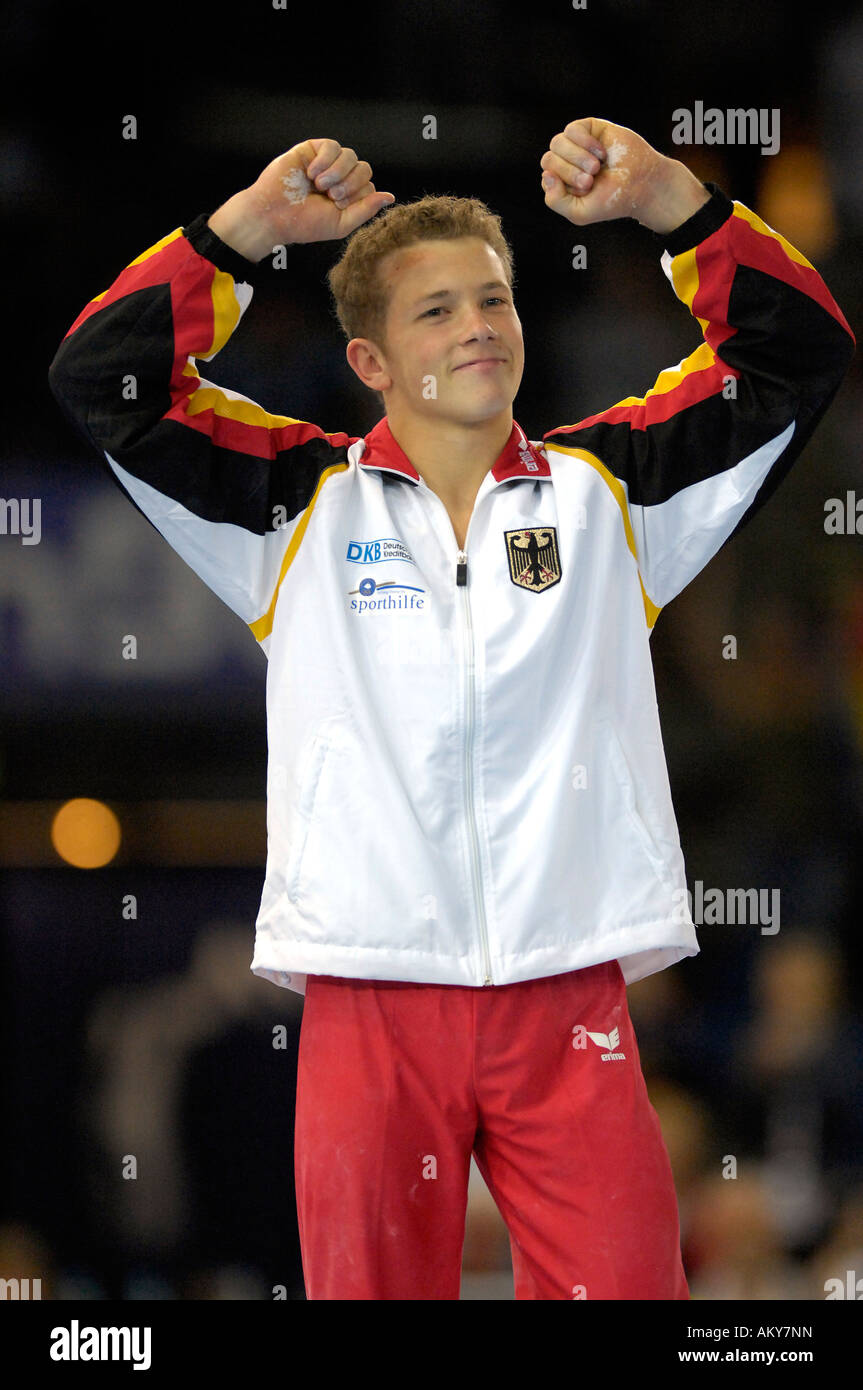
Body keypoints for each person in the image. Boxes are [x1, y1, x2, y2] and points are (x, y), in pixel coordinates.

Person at [48, 118, 855, 1300]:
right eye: (435, 310)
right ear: (370, 362)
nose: (477, 324)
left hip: (566, 987)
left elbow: (799, 352)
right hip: (369, 988)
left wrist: (673, 200)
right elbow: (99, 377)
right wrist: (249, 232)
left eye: (493, 299)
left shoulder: (613, 494)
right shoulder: (288, 509)